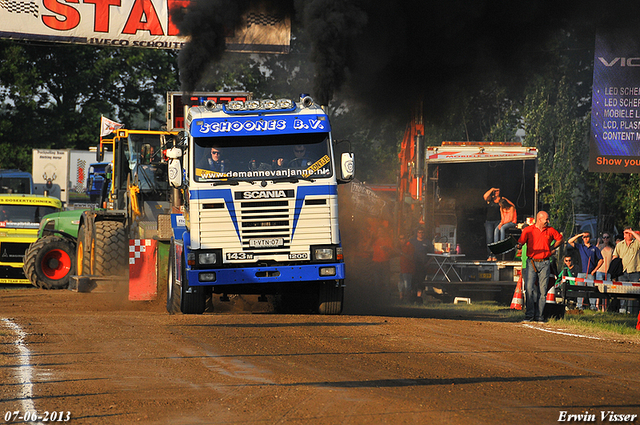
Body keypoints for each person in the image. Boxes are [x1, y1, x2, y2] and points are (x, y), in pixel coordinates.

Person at [517, 211, 564, 322]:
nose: (548, 221)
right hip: (531, 262)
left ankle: (540, 316)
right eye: (546, 219)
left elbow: (560, 239)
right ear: (539, 219)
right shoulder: (528, 230)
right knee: (529, 289)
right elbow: (521, 242)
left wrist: (552, 248)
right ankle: (529, 315)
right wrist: (517, 245)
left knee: (542, 291)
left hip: (545, 262)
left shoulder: (550, 230)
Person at [567, 231, 603, 310]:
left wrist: (594, 270)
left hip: (590, 273)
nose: (585, 238)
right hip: (581, 273)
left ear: (590, 237)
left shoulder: (594, 248)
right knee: (580, 290)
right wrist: (579, 235)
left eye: (587, 236)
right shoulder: (580, 247)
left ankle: (593, 306)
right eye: (584, 237)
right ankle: (579, 306)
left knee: (591, 290)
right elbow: (570, 241)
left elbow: (601, 260)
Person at [612, 227, 640, 313]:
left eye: (630, 233)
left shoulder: (636, 243)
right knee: (622, 290)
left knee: (633, 291)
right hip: (622, 272)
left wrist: (633, 232)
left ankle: (631, 310)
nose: (629, 234)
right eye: (627, 233)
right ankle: (623, 309)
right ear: (624, 234)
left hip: (634, 271)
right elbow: (615, 256)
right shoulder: (620, 245)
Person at [410, 227, 431, 304]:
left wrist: (428, 263)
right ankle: (412, 297)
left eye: (422, 232)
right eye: (419, 232)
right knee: (413, 281)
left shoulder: (427, 242)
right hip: (413, 265)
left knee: (420, 282)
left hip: (423, 266)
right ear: (417, 233)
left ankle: (419, 298)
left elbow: (432, 254)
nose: (421, 234)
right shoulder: (412, 241)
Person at [595, 232, 615, 311]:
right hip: (600, 270)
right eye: (604, 237)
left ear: (609, 239)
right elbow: (595, 253)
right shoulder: (600, 247)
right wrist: (598, 243)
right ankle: (597, 306)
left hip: (608, 271)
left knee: (606, 290)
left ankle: (604, 306)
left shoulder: (612, 249)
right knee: (599, 289)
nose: (605, 239)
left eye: (607, 237)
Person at [371, 227, 393, 297]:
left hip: (385, 262)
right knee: (377, 280)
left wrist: (387, 249)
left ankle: (387, 296)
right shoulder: (375, 241)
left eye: (381, 231)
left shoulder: (388, 240)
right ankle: (378, 297)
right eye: (379, 231)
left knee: (386, 280)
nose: (380, 232)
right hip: (376, 263)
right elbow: (368, 248)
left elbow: (392, 250)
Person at [483, 187, 502, 261]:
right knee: (489, 238)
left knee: (496, 238)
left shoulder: (501, 199)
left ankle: (494, 255)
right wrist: (491, 189)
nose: (496, 192)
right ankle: (489, 255)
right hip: (489, 221)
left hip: (497, 221)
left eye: (498, 191)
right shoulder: (490, 199)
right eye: (495, 191)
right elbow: (484, 196)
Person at [397, 233, 415, 302]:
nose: (402, 240)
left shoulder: (409, 246)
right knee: (400, 284)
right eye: (400, 239)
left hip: (408, 269)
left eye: (403, 238)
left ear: (406, 238)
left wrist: (401, 252)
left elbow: (410, 257)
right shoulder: (402, 246)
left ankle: (408, 300)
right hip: (402, 268)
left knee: (407, 285)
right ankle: (401, 298)